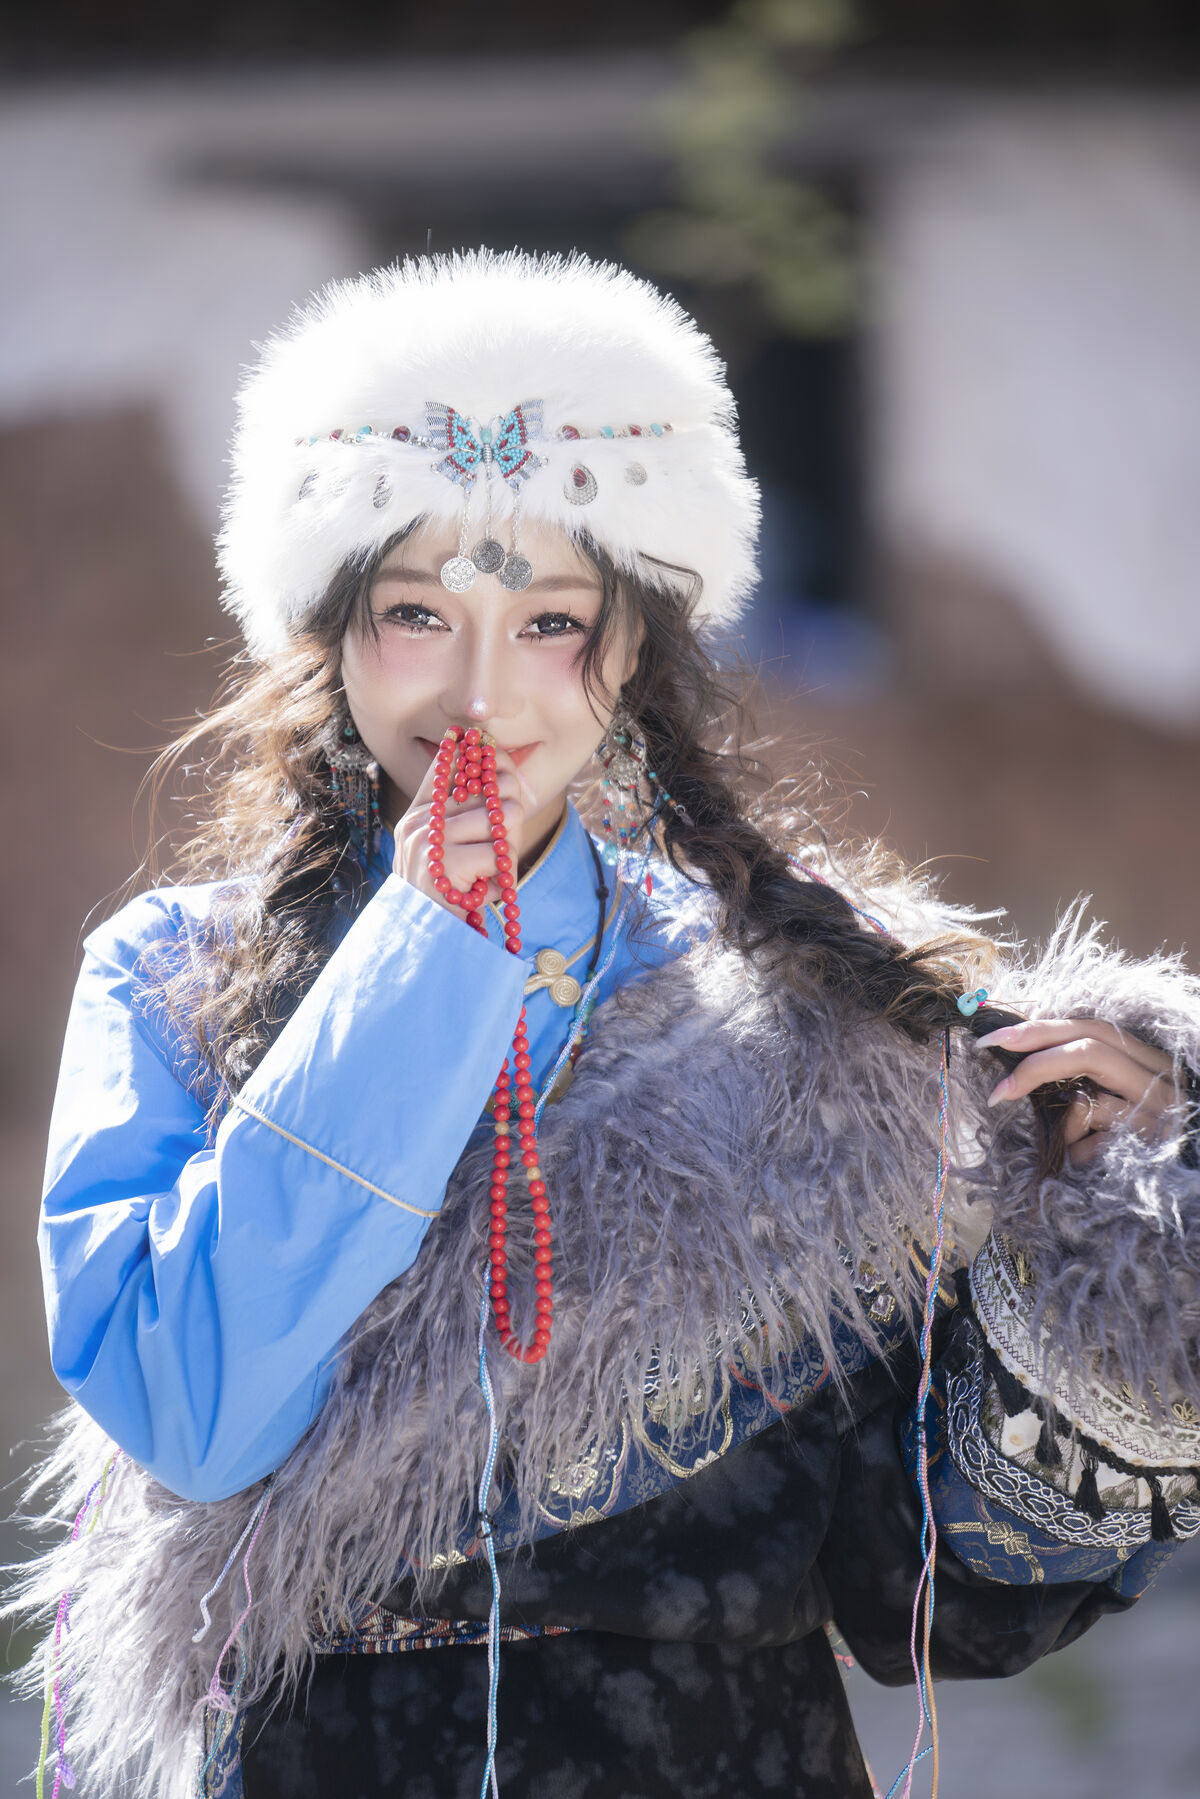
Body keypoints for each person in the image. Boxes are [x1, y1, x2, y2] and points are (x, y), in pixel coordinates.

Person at [19, 251, 1200, 1799]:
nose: (481, 691)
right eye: (416, 611)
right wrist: (429, 955)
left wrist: (1107, 1226)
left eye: (551, 621)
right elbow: (195, 1413)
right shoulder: (171, 978)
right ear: (331, 633)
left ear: (634, 650)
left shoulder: (809, 1023)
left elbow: (932, 1600)